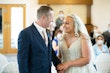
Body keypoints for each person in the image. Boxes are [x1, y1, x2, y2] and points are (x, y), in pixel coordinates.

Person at [17, 6, 61, 73]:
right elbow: (22, 60)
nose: (52, 20)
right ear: (43, 17)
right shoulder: (25, 34)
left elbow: (50, 51)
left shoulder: (48, 32)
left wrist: (57, 64)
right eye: (51, 17)